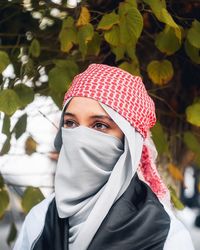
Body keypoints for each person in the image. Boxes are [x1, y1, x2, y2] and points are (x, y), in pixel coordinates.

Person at [14, 64, 194, 250]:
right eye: (70, 123)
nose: (80, 138)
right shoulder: (40, 219)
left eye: (99, 125)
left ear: (129, 142)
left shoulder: (165, 236)